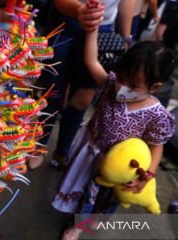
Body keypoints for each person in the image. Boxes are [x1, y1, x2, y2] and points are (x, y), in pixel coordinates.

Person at [52, 2, 176, 239]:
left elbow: (156, 146)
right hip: (90, 153)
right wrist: (93, 29)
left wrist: (148, 174)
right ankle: (76, 220)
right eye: (121, 77)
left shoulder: (158, 115)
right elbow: (92, 62)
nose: (122, 86)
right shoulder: (111, 85)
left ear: (155, 87)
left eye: (133, 85)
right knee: (82, 188)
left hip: (117, 169)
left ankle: (82, 226)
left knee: (102, 200)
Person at [28, 0, 136, 169]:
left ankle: (62, 151)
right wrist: (80, 11)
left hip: (103, 30)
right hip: (65, 23)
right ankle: (39, 145)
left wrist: (126, 38)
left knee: (83, 99)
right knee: (52, 91)